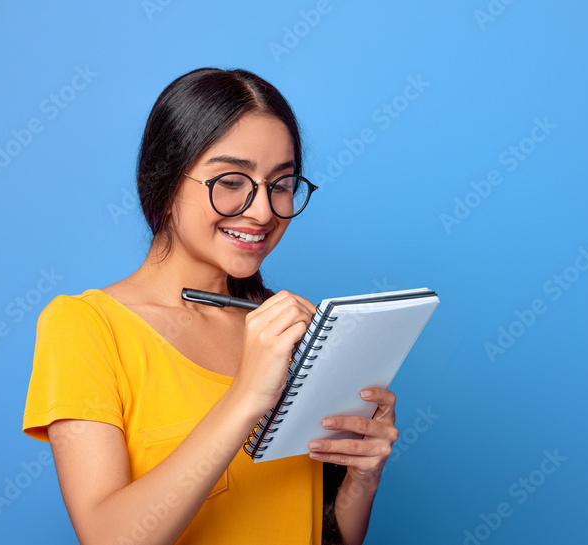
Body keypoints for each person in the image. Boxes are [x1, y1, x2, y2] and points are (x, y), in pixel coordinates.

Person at [22, 67, 399, 545]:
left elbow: (320, 533)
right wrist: (246, 398)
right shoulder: (87, 327)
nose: (262, 211)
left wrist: (362, 480)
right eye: (232, 180)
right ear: (164, 181)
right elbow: (107, 537)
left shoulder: (288, 331)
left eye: (281, 184)